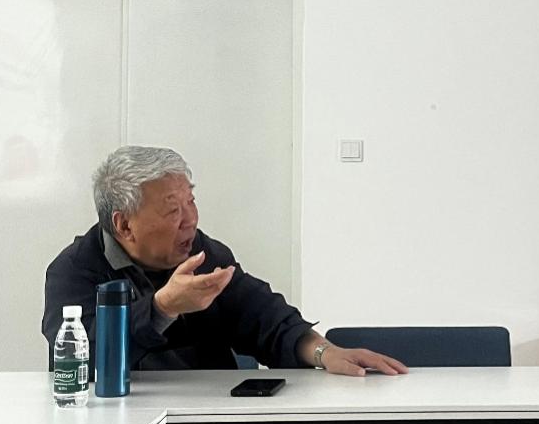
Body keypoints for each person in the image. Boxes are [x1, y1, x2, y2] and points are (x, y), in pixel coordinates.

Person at [42, 146, 408, 377]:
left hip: (211, 421)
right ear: (124, 225)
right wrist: (162, 308)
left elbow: (262, 317)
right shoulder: (74, 271)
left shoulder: (203, 254)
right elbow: (83, 360)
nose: (190, 220)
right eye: (172, 210)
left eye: (191, 202)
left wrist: (324, 352)